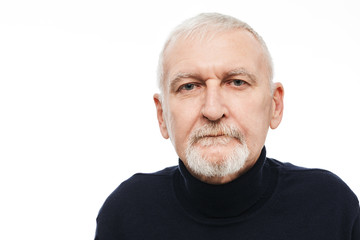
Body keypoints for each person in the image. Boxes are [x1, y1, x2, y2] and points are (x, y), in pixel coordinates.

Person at [95, 13, 359, 239]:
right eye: (189, 86)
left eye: (237, 82)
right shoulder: (126, 213)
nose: (212, 110)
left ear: (274, 106)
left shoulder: (331, 207)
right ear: (162, 115)